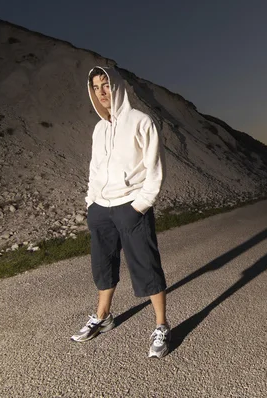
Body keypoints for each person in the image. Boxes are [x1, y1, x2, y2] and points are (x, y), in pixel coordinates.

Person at [71, 66, 169, 358]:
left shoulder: (141, 121)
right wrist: (91, 203)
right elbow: (94, 170)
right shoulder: (99, 128)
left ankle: (161, 326)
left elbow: (155, 169)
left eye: (106, 85)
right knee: (103, 264)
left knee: (145, 264)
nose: (102, 92)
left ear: (118, 86)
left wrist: (139, 206)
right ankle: (103, 317)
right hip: (102, 209)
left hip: (131, 207)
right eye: (96, 87)